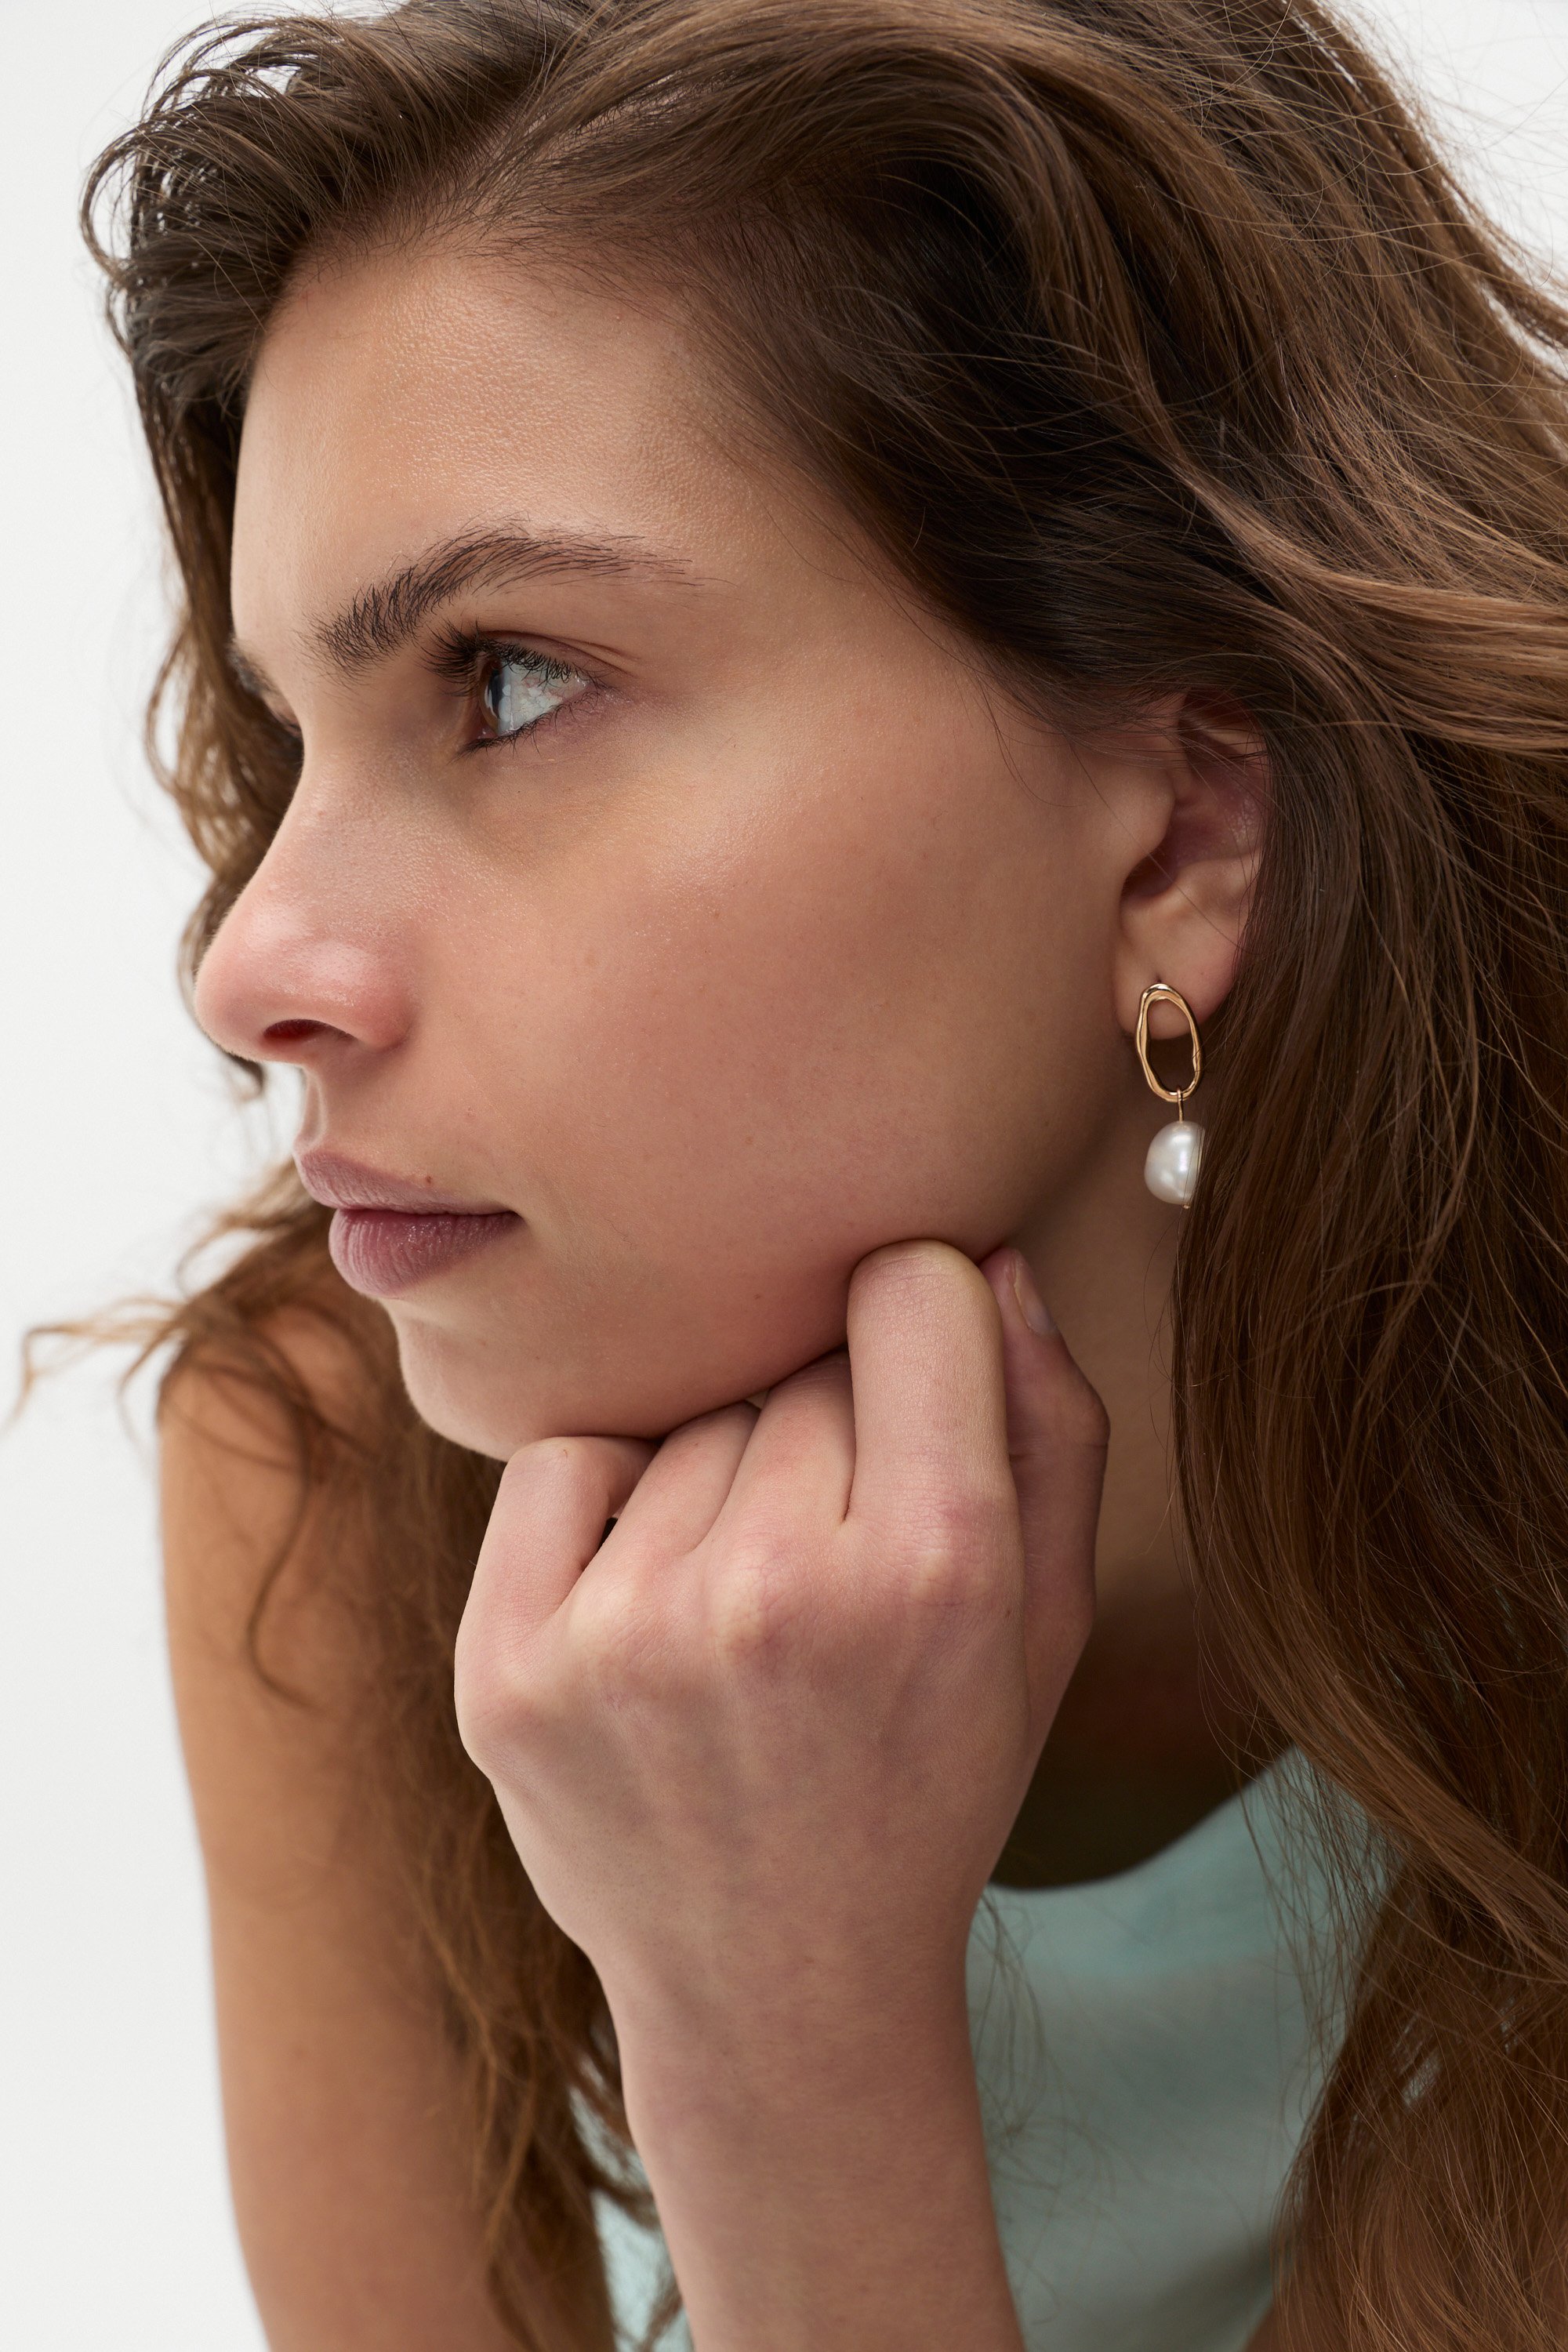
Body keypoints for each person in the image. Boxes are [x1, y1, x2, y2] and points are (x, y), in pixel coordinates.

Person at [78, 0, 1568, 2345]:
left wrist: (790, 2060)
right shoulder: (326, 1463)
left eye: (510, 680)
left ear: (1186, 821)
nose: (253, 966)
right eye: (295, 730)